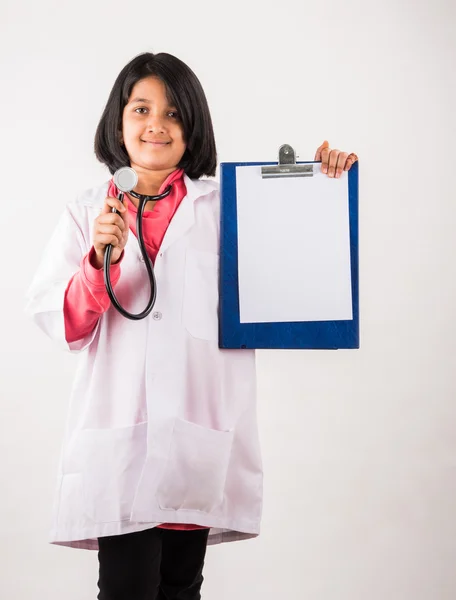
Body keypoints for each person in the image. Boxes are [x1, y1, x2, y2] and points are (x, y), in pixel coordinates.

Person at [25, 51, 358, 600]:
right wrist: (96, 262)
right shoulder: (85, 215)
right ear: (117, 121)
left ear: (193, 128)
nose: (156, 124)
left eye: (175, 113)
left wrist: (320, 184)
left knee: (181, 588)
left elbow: (296, 267)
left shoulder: (230, 210)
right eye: (141, 109)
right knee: (126, 588)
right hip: (119, 444)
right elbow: (59, 324)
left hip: (194, 438)